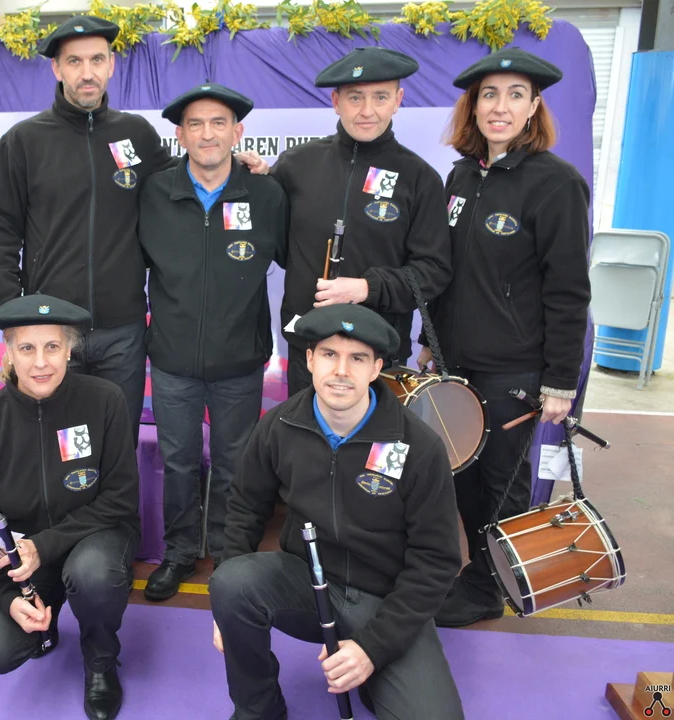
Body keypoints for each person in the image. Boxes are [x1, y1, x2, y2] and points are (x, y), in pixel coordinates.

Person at [0, 18, 267, 442]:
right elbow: (0, 231)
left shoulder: (136, 134)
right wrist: (13, 317)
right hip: (51, 330)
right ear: (56, 69)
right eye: (74, 62)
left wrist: (234, 164)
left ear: (111, 65)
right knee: (52, 446)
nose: (87, 72)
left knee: (117, 446)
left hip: (124, 332)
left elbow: (185, 181)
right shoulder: (23, 141)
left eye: (97, 60)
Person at [210, 303, 464, 720]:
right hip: (306, 585)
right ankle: (258, 708)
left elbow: (436, 561)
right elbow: (244, 508)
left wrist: (372, 649)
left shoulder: (419, 446)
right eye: (329, 354)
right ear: (310, 359)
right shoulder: (279, 426)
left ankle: (375, 675)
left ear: (376, 368)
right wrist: (225, 611)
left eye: (357, 358)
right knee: (231, 583)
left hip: (384, 600)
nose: (341, 371)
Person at [419, 47, 591, 628]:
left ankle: (488, 587)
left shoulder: (556, 184)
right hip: (455, 363)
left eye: (515, 95)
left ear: (533, 106)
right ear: (473, 106)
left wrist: (560, 380)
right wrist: (429, 338)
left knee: (502, 485)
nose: (500, 107)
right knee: (461, 478)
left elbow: (569, 291)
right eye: (489, 95)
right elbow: (443, 272)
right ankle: (477, 573)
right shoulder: (461, 176)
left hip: (514, 369)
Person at [0, 294, 141, 720]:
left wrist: (45, 544)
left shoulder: (105, 400)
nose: (41, 362)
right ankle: (45, 622)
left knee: (94, 574)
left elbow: (120, 498)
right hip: (23, 559)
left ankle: (100, 659)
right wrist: (7, 596)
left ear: (69, 350)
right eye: (27, 348)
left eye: (52, 346)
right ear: (8, 351)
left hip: (97, 537)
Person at [138, 83, 288, 600]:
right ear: (180, 136)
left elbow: (297, 256)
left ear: (237, 132)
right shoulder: (153, 192)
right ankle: (179, 551)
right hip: (172, 359)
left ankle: (228, 552)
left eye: (219, 123)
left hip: (240, 360)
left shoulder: (266, 194)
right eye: (196, 124)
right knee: (178, 462)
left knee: (234, 464)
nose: (208, 134)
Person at [271, 47, 452, 395]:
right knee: (304, 431)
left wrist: (367, 288)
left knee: (375, 434)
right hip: (308, 349)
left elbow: (434, 270)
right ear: (336, 102)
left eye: (380, 97)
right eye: (355, 97)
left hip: (379, 355)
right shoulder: (295, 165)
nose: (367, 110)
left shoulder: (420, 178)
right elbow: (276, 244)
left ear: (397, 101)